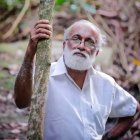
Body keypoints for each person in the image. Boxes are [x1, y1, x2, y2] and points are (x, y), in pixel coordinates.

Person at [14, 19, 140, 140]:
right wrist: (30, 52)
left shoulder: (106, 84)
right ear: (64, 45)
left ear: (96, 53)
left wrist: (109, 137)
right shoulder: (44, 76)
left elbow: (133, 109)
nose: (81, 46)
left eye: (90, 42)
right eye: (76, 38)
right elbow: (21, 102)